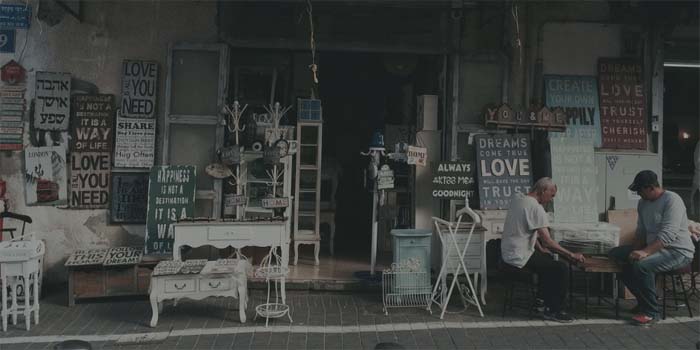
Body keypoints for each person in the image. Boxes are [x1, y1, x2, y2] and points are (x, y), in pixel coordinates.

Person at [609, 170, 696, 326]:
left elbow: (668, 235)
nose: (638, 194)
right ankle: (645, 301)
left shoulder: (672, 200)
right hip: (655, 248)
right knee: (616, 255)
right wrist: (633, 251)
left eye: (640, 190)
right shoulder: (643, 203)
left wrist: (644, 252)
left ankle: (651, 312)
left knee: (642, 266)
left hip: (677, 251)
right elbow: (641, 232)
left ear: (650, 188)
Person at [501, 177, 585, 323]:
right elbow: (548, 241)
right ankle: (554, 310)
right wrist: (571, 254)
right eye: (551, 195)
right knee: (561, 267)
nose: (551, 199)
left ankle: (540, 301)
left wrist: (540, 248)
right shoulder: (536, 208)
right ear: (542, 190)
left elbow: (526, 232)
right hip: (519, 256)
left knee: (547, 260)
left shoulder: (518, 199)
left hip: (508, 252)